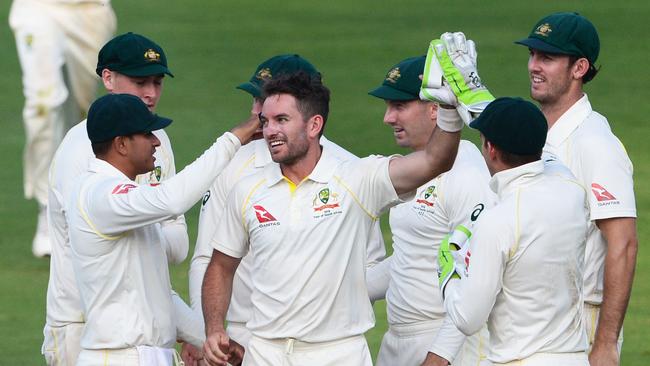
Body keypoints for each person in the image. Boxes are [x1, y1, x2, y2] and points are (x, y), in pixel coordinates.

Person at [201, 70, 463, 366]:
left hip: (338, 354)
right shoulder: (248, 188)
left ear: (314, 125)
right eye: (266, 121)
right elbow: (220, 267)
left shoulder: (357, 178)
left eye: (281, 120)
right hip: (264, 353)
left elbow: (434, 160)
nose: (269, 131)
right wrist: (214, 329)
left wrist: (450, 111)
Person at [188, 54, 385, 357]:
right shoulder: (230, 167)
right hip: (246, 336)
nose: (257, 113)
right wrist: (203, 332)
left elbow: (370, 263)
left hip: (328, 344)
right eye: (257, 101)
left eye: (271, 108)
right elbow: (207, 258)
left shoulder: (350, 171)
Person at [67, 93, 258, 365]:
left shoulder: (124, 202)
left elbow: (158, 296)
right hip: (119, 358)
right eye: (147, 134)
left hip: (144, 356)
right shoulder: (98, 194)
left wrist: (211, 340)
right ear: (121, 144)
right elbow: (173, 200)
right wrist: (232, 140)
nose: (157, 141)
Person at [42, 32, 195, 366]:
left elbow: (177, 247)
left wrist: (188, 331)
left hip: (141, 331)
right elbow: (103, 256)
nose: (151, 94)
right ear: (108, 78)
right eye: (140, 82)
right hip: (82, 329)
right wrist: (152, 227)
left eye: (157, 82)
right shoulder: (81, 149)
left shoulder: (157, 142)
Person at [515, 12, 637, 365]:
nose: (534, 66)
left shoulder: (595, 143)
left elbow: (624, 244)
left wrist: (605, 344)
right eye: (533, 54)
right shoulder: (538, 135)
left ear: (579, 67)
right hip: (534, 315)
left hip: (580, 320)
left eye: (548, 58)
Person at [439, 97, 590, 365]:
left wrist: (448, 271)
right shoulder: (571, 188)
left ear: (491, 148)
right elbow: (547, 156)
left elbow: (467, 318)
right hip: (574, 357)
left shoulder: (497, 221)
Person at [368, 55, 492, 366]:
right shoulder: (413, 171)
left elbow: (476, 278)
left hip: (445, 344)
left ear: (435, 107)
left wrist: (438, 358)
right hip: (398, 340)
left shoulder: (467, 173)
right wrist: (343, 289)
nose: (388, 117)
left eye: (399, 106)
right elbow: (413, 256)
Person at [8, 0, 117, 257]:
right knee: (42, 103)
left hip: (89, 11)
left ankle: (72, 199)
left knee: (81, 114)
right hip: (36, 7)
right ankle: (47, 206)